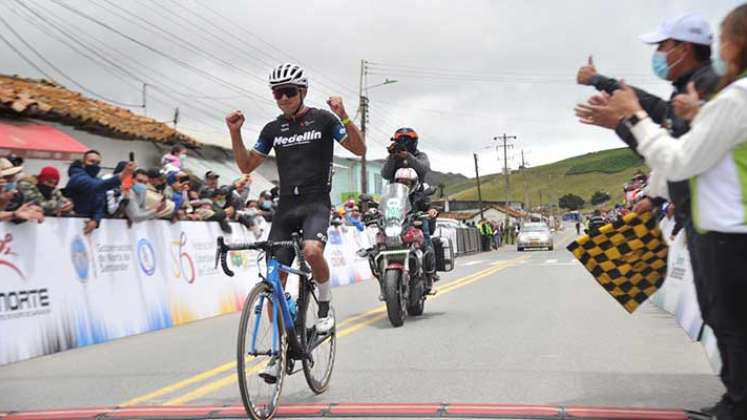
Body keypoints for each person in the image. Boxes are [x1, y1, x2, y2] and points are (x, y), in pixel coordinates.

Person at [605, 6, 747, 417]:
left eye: (723, 39)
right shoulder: (726, 97)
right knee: (727, 322)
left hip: (727, 229)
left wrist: (631, 115)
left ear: (735, 45)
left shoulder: (735, 96)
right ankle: (735, 398)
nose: (718, 48)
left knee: (731, 324)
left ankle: (739, 404)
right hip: (720, 224)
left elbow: (680, 160)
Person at [225, 63, 365, 381]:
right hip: (286, 207)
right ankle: (278, 352)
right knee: (274, 282)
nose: (283, 98)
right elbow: (247, 163)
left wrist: (343, 114)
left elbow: (359, 149)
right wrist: (234, 133)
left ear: (303, 92)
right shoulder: (273, 129)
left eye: (289, 92)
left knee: (313, 252)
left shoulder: (324, 120)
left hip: (316, 202)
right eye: (277, 93)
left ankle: (326, 309)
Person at [65, 150, 135, 234]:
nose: (95, 165)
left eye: (98, 163)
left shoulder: (96, 179)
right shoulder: (77, 177)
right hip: (71, 224)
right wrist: (124, 174)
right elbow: (96, 186)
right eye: (92, 161)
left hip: (89, 227)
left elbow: (100, 204)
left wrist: (95, 220)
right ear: (83, 163)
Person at [394, 167, 440, 292]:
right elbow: (386, 206)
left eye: (407, 182)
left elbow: (427, 204)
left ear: (413, 183)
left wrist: (430, 210)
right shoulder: (394, 194)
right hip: (399, 224)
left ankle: (430, 275)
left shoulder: (420, 194)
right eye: (401, 181)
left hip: (416, 222)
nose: (404, 184)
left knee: (425, 241)